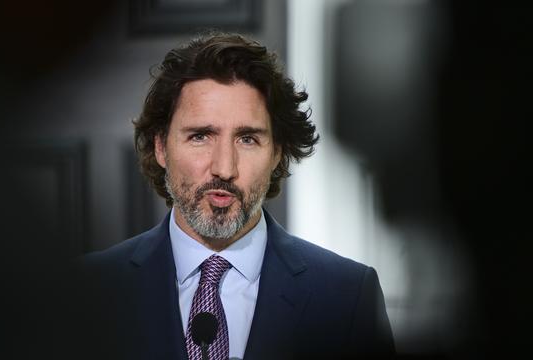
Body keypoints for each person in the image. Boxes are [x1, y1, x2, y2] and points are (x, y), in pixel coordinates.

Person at [77, 32, 395, 360]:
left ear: (277, 154)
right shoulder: (86, 291)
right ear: (160, 147)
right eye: (200, 136)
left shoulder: (347, 297)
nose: (224, 168)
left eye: (247, 139)